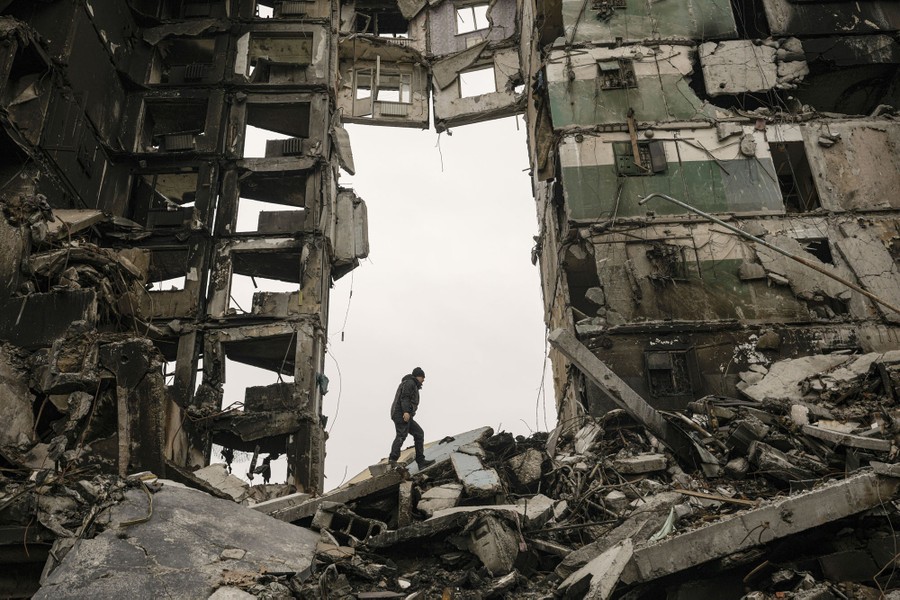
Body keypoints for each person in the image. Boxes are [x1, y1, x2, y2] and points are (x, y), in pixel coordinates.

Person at [388, 367, 435, 469]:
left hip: (406, 414)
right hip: (401, 413)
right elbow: (405, 397)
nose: (424, 380)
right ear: (418, 376)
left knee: (419, 433)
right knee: (401, 434)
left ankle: (421, 461)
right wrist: (405, 411)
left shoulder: (412, 384)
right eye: (423, 377)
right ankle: (392, 460)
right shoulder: (410, 383)